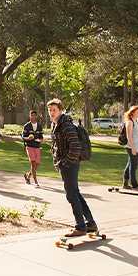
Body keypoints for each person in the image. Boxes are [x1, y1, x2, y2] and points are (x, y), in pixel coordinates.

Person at [49, 98, 97, 237]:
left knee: (72, 195)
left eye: (54, 110)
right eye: (50, 110)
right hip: (65, 164)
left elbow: (75, 147)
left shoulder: (66, 126)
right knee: (76, 193)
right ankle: (91, 223)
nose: (51, 113)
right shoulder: (56, 124)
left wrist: (64, 162)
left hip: (70, 165)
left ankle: (80, 226)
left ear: (61, 110)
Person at [122, 105, 138, 191]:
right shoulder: (130, 122)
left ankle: (125, 183)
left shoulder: (136, 122)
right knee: (133, 166)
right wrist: (133, 148)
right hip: (131, 147)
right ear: (132, 113)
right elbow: (129, 136)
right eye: (137, 112)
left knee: (129, 164)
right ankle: (134, 185)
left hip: (136, 146)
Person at [22, 110, 44, 188]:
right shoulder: (27, 126)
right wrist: (28, 138)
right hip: (29, 146)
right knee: (33, 163)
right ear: (29, 116)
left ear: (36, 116)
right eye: (32, 116)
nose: (33, 117)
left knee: (37, 164)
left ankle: (28, 176)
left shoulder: (39, 126)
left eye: (34, 116)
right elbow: (23, 137)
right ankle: (36, 182)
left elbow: (41, 136)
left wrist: (41, 140)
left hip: (37, 146)